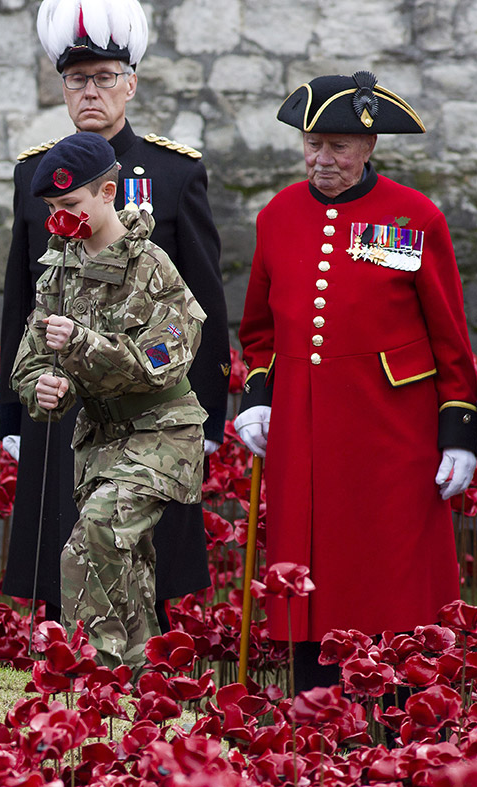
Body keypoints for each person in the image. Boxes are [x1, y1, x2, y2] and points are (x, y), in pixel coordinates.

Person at [235, 71, 476, 690]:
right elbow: (258, 330)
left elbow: (450, 335)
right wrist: (258, 399)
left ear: (369, 147)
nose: (323, 159)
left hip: (393, 428)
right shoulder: (277, 215)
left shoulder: (414, 217)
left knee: (390, 565)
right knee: (308, 561)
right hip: (304, 427)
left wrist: (460, 433)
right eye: (313, 144)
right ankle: (316, 703)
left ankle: (402, 709)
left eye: (338, 146)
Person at [0, 0, 228, 632]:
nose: (91, 91)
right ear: (61, 86)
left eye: (104, 77)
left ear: (132, 81)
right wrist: (13, 411)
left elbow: (202, 303)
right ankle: (69, 666)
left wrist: (209, 416)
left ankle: (145, 670)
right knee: (61, 548)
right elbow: (22, 297)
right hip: (62, 397)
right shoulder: (32, 175)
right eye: (78, 79)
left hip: (148, 405)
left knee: (140, 551)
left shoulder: (175, 172)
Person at [11, 131, 207, 672]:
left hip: (164, 431)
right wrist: (45, 388)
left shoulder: (153, 268)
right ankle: (145, 682)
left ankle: (87, 673)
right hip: (101, 438)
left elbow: (163, 362)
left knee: (93, 533)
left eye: (70, 205)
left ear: (108, 192)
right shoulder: (58, 270)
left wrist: (80, 344)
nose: (59, 220)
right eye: (51, 209)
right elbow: (29, 361)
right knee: (126, 565)